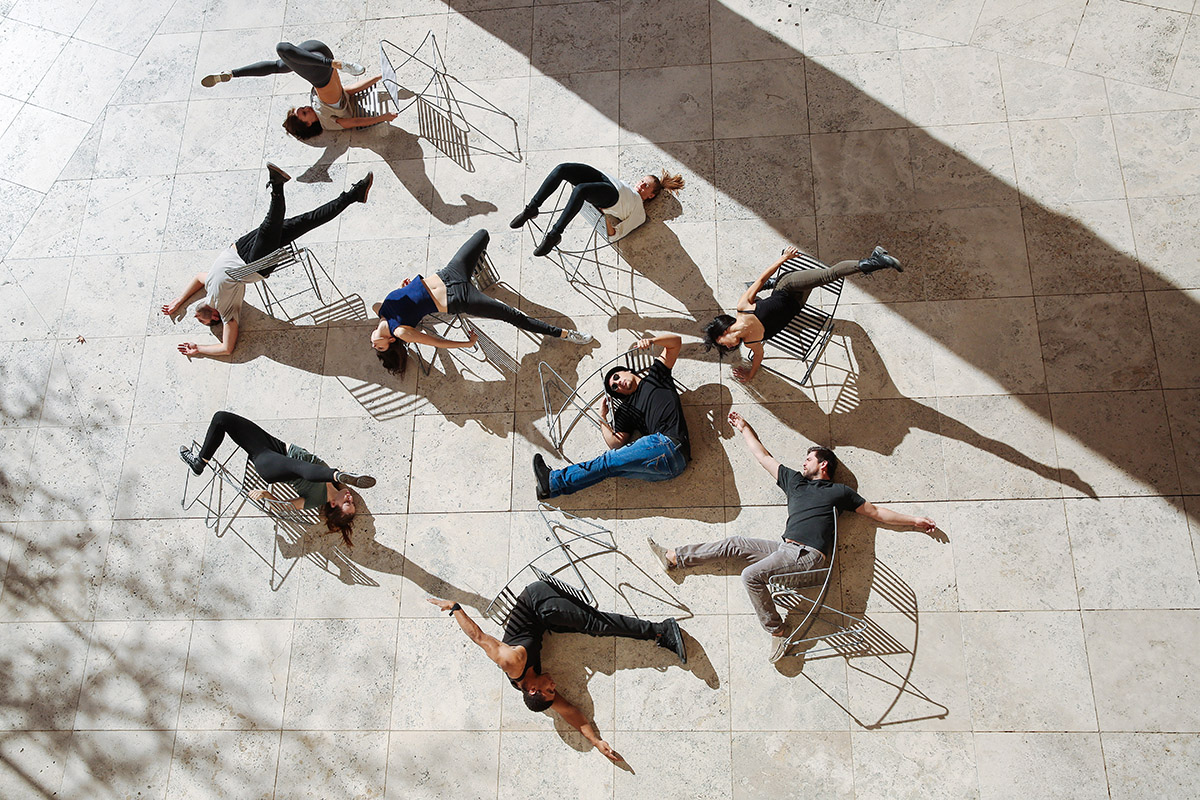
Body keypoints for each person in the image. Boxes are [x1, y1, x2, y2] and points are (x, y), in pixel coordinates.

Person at [647, 410, 937, 662]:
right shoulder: (796, 482)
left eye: (809, 459)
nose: (803, 463)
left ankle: (778, 632)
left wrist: (914, 521)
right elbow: (764, 457)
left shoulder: (839, 492)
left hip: (809, 558)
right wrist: (744, 428)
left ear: (824, 465)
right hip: (786, 551)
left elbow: (875, 512)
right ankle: (674, 558)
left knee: (750, 576)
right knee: (735, 543)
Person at [427, 581, 687, 762]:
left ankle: (660, 630)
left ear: (532, 689)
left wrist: (455, 608)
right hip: (545, 623)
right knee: (590, 629)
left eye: (549, 689)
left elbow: (479, 637)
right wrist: (596, 741)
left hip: (537, 601)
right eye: (553, 691)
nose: (554, 685)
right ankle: (657, 632)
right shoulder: (536, 692)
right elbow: (571, 712)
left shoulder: (511, 662)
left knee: (596, 624)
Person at [161, 164, 373, 358]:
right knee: (270, 224)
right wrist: (199, 349)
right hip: (253, 264)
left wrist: (180, 301)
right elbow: (227, 348)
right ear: (215, 317)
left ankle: (354, 195)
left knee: (307, 220)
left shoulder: (210, 287)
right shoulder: (227, 311)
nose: (197, 318)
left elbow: (198, 277)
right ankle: (277, 186)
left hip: (241, 246)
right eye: (203, 321)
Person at [370, 229, 593, 376]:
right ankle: (564, 334)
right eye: (381, 347)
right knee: (512, 316)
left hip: (448, 273)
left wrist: (404, 288)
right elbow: (437, 342)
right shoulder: (400, 332)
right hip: (458, 297)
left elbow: (396, 301)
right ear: (391, 340)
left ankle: (475, 275)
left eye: (375, 346)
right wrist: (466, 344)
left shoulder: (380, 309)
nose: (374, 345)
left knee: (482, 235)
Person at [702, 245, 904, 382]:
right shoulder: (751, 343)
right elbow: (758, 357)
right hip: (798, 304)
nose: (729, 347)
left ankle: (875, 260)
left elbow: (761, 278)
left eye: (723, 343)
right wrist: (750, 374)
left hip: (788, 286)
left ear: (723, 331)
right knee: (809, 285)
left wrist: (784, 258)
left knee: (828, 275)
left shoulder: (743, 307)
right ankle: (874, 259)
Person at [179, 411, 376, 545]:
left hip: (271, 465)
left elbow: (284, 508)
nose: (350, 497)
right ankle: (199, 463)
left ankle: (337, 472)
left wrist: (266, 495)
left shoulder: (316, 500)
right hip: (275, 446)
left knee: (302, 469)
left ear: (333, 504)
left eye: (347, 503)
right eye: (352, 501)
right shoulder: (333, 486)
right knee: (221, 418)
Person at [532, 333, 687, 498]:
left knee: (607, 463)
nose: (618, 383)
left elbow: (676, 343)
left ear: (626, 371)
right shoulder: (626, 410)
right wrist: (603, 417)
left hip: (669, 444)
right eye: (614, 387)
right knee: (609, 468)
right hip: (668, 469)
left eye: (616, 377)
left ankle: (553, 482)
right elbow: (615, 444)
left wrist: (651, 341)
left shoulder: (656, 376)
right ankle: (550, 490)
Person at [201, 40, 397, 138]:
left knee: (279, 64)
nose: (305, 108)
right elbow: (353, 121)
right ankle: (335, 63)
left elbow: (349, 90)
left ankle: (231, 74)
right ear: (309, 124)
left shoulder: (320, 106)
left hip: (318, 59)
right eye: (304, 113)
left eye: (301, 108)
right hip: (322, 70)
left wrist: (377, 78)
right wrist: (383, 117)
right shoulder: (328, 123)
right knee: (282, 50)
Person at [510, 163, 685, 256]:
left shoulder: (639, 212)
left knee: (581, 190)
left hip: (612, 196)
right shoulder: (627, 185)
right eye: (641, 181)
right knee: (561, 169)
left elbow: (617, 234)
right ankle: (531, 209)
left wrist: (605, 218)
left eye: (646, 185)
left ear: (651, 195)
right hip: (602, 178)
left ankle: (554, 235)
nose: (641, 184)